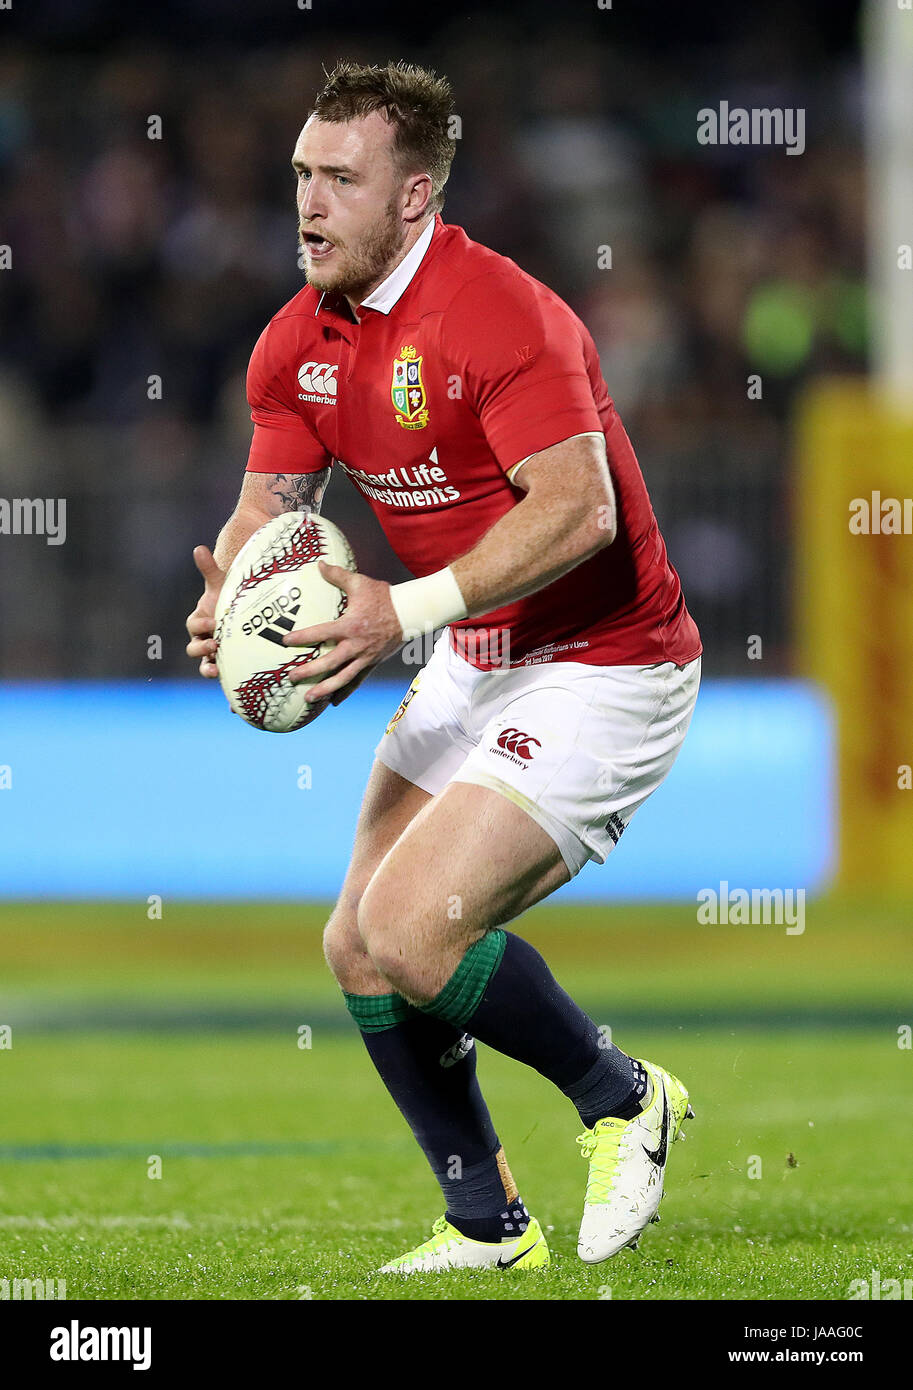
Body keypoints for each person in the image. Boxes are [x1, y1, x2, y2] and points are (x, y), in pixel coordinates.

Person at [186, 59, 700, 1273]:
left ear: (413, 197)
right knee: (356, 942)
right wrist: (236, 611)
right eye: (302, 174)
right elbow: (269, 516)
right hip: (475, 652)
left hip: (604, 660)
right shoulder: (294, 341)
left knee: (416, 932)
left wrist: (395, 612)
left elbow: (578, 513)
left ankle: (626, 1097)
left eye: (341, 179)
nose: (308, 202)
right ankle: (486, 1220)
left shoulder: (503, 315)